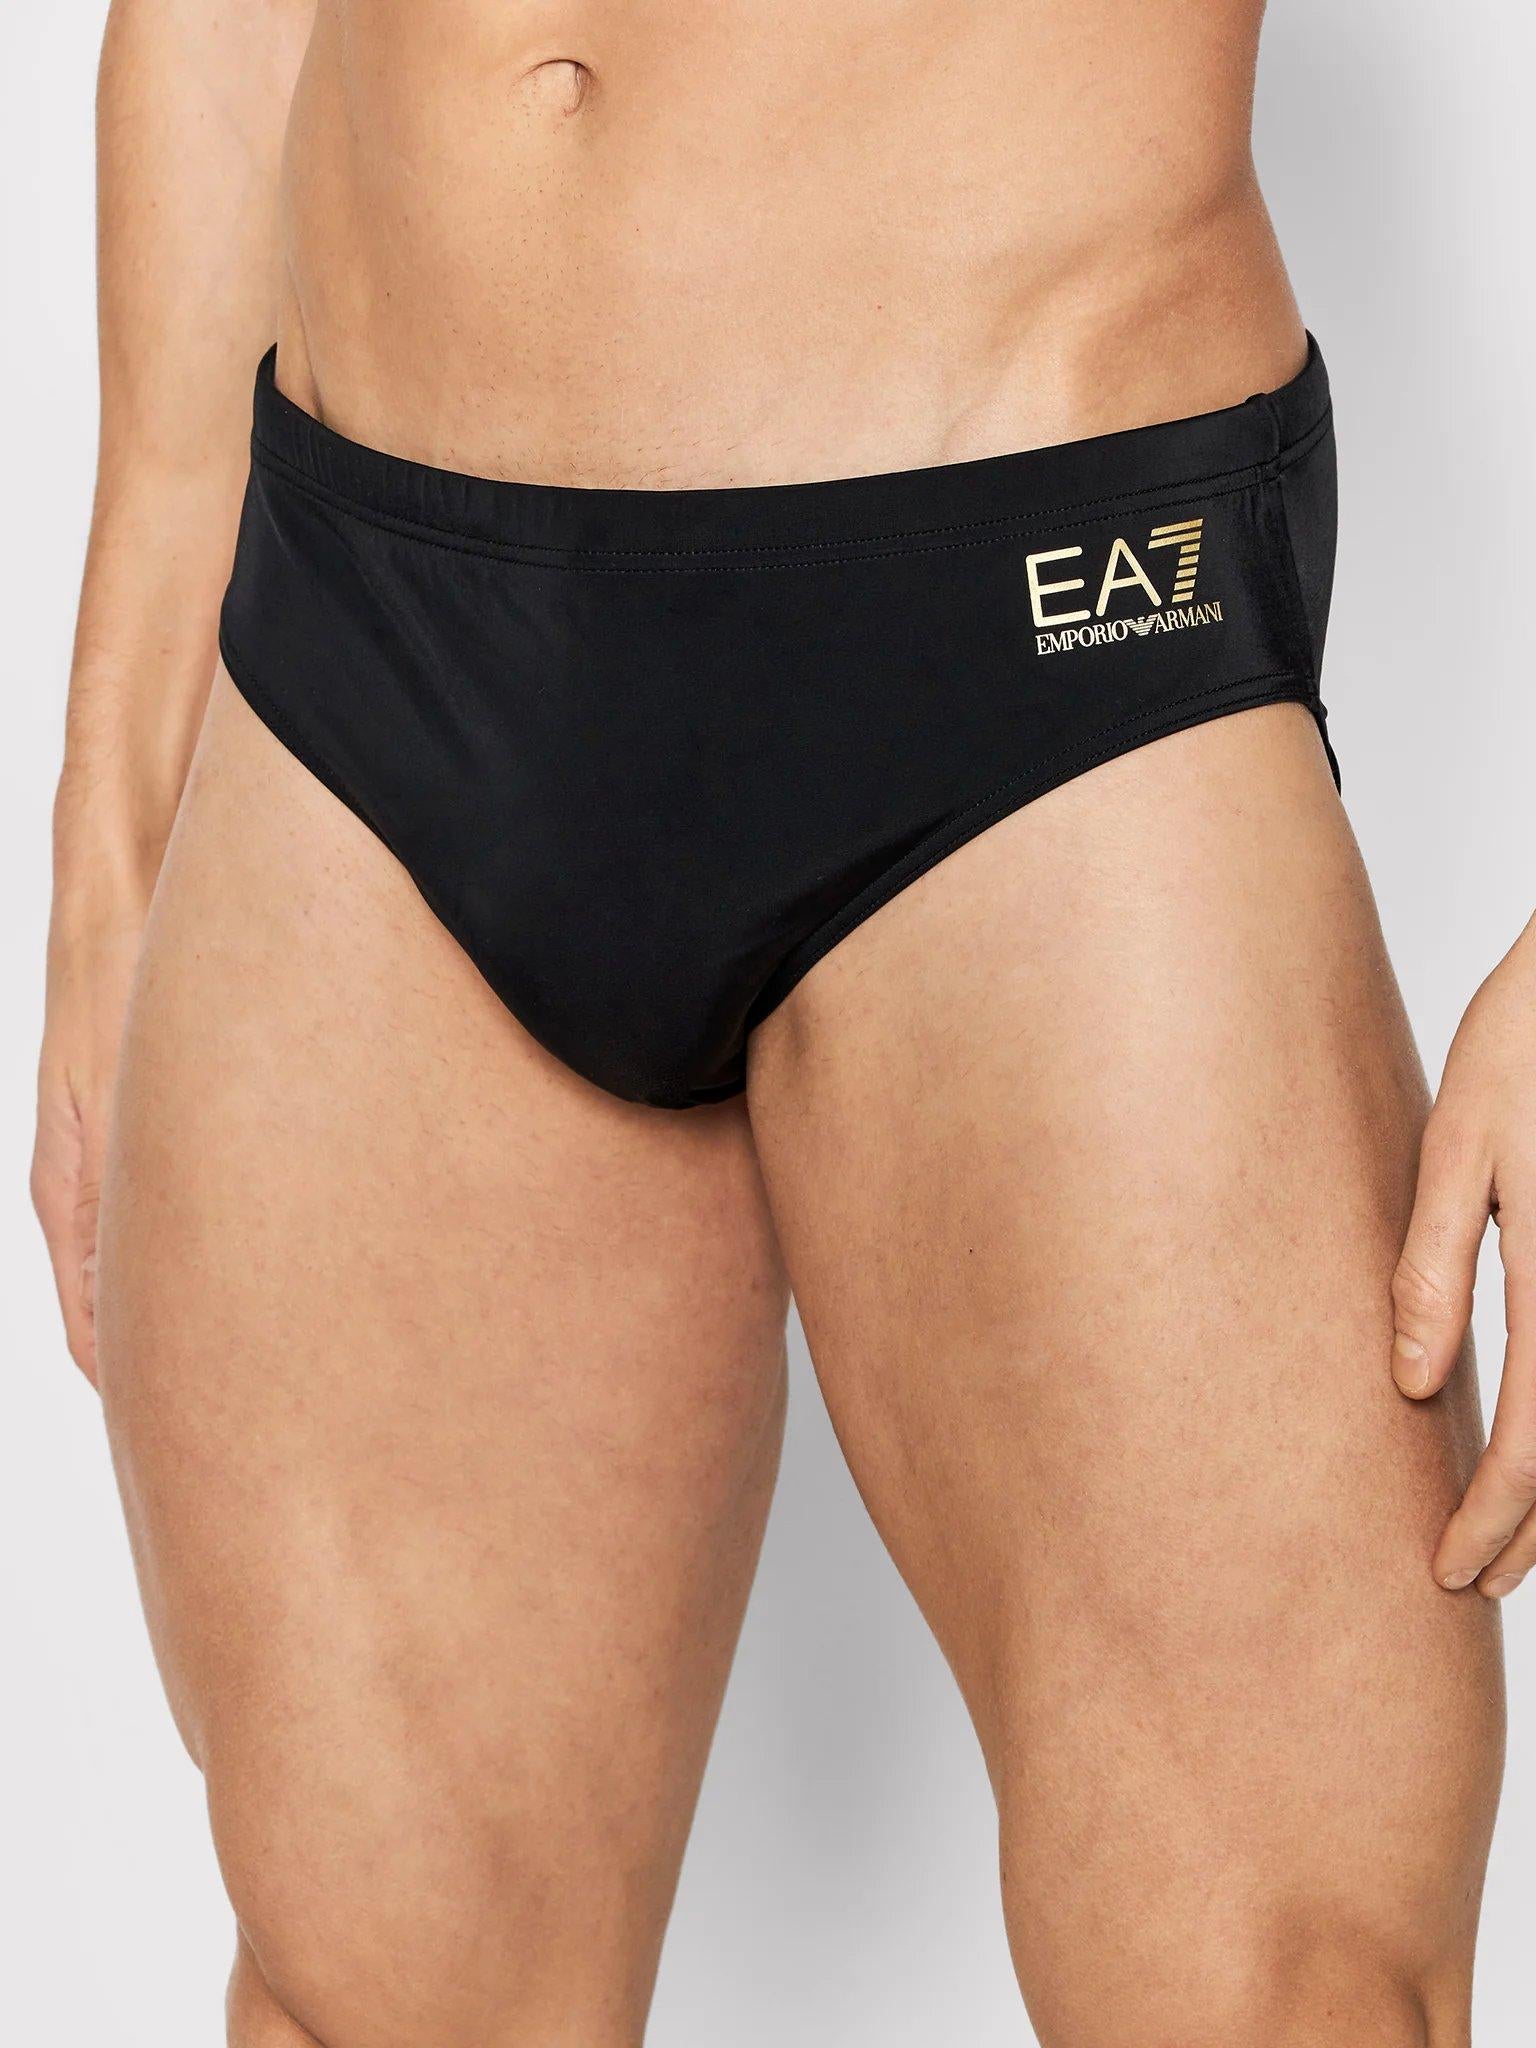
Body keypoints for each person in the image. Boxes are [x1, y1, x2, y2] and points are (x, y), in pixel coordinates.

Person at [30, 0, 1534, 2041]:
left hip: (1038, 586)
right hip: (362, 630)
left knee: (1283, 1991)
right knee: (366, 1983)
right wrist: (118, 788)